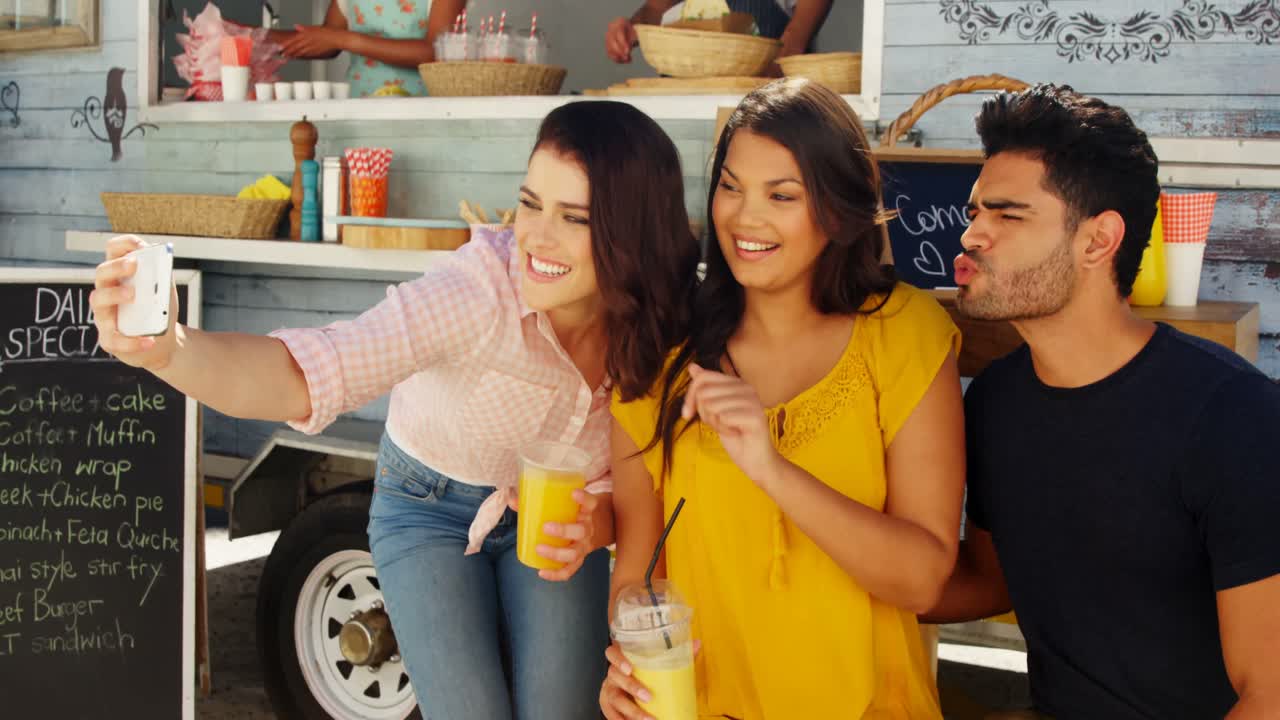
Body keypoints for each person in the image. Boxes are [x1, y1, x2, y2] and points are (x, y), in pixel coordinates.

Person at [90, 100, 700, 720]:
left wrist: (593, 526)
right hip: (428, 507)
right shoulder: (477, 291)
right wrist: (170, 349)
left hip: (547, 517)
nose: (536, 236)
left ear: (633, 234)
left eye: (574, 218)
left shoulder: (654, 331)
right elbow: (312, 372)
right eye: (531, 202)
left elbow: (635, 491)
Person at [602, 78, 965, 720]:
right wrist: (632, 668)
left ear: (838, 209)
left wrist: (770, 469)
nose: (745, 217)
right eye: (731, 186)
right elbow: (637, 579)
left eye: (782, 195)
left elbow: (922, 577)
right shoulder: (666, 354)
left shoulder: (904, 334)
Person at [922, 84, 1280, 719]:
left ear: (1097, 241)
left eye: (1007, 215)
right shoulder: (998, 400)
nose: (973, 235)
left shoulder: (1233, 416)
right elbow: (989, 579)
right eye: (976, 212)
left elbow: (1270, 694)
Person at [267, 0, 467, 97]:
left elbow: (437, 52)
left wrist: (344, 40)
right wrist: (248, 36)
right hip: (359, 105)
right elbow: (325, 39)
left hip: (421, 110)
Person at [605, 0, 833, 70]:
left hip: (764, 93)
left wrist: (789, 51)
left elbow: (795, 38)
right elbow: (656, 9)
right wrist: (632, 28)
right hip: (689, 97)